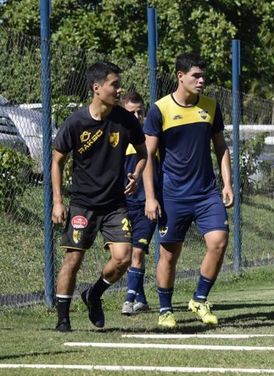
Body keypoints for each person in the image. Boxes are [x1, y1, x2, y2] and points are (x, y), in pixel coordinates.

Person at [52, 61, 147, 332]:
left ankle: (93, 294)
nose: (120, 89)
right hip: (83, 204)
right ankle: (63, 318)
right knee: (73, 259)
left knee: (123, 257)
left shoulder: (126, 120)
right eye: (114, 84)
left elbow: (143, 153)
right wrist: (58, 201)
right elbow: (56, 161)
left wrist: (137, 174)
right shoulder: (76, 122)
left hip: (115, 204)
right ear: (97, 88)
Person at [143, 53, 234, 329]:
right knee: (169, 255)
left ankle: (199, 299)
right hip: (173, 196)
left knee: (219, 241)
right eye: (196, 75)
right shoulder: (159, 110)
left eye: (203, 76)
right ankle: (165, 310)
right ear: (180, 76)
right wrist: (150, 197)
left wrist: (227, 183)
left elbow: (221, 147)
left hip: (206, 193)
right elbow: (147, 156)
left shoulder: (211, 107)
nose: (201, 81)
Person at [120, 91, 156, 315]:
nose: (136, 116)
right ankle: (141, 299)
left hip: (145, 205)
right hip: (120, 207)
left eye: (139, 112)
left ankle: (128, 299)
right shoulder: (115, 140)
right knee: (124, 255)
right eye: (131, 112)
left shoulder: (150, 141)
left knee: (137, 252)